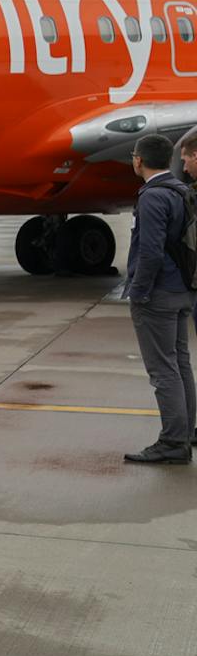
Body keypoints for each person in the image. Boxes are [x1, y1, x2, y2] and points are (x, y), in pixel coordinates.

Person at [123, 133, 194, 464]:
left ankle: (172, 442)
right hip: (180, 290)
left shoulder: (153, 197)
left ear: (139, 160)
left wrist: (138, 292)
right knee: (180, 365)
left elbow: (149, 252)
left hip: (159, 295)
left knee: (164, 370)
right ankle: (185, 433)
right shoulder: (180, 191)